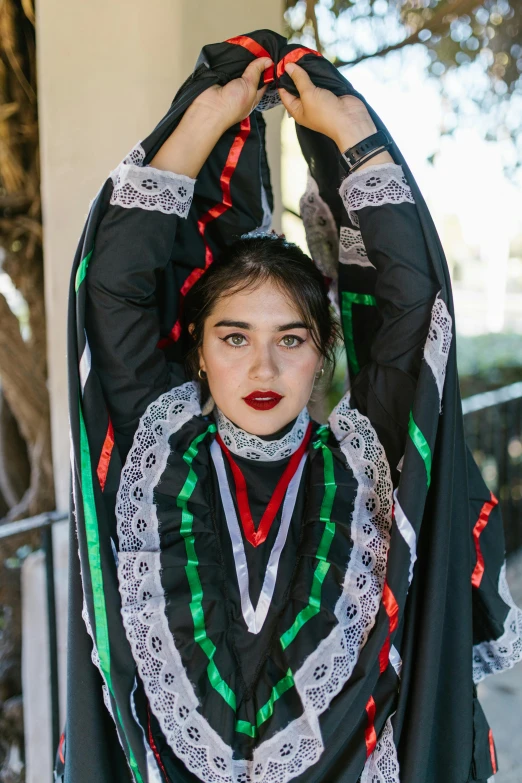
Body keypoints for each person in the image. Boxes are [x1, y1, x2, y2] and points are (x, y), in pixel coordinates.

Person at [59, 29, 522, 783]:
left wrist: (352, 134)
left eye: (292, 339)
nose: (263, 366)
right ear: (199, 350)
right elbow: (113, 284)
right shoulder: (159, 454)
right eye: (234, 337)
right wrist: (207, 117)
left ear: (323, 351)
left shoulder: (365, 463)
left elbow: (413, 308)